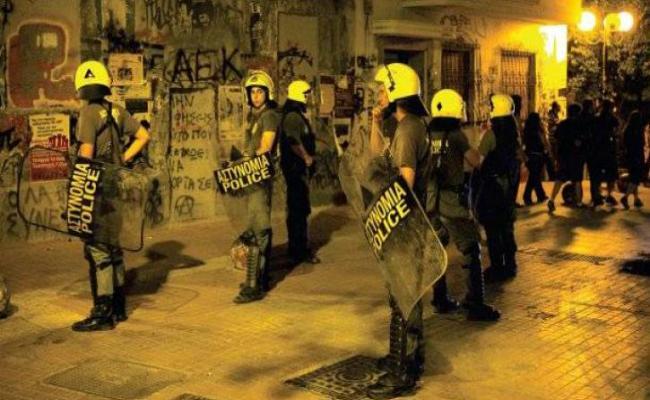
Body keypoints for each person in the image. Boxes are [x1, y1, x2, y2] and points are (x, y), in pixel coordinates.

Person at [366, 63, 431, 399]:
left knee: (402, 296)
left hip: (405, 224)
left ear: (396, 91)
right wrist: (376, 123)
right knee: (404, 294)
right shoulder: (408, 125)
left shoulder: (408, 130)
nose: (379, 95)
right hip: (407, 223)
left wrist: (385, 215)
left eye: (383, 89)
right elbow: (377, 157)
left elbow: (405, 182)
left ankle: (402, 370)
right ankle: (407, 356)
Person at [72, 60, 150, 331]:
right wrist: (123, 159)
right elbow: (143, 135)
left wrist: (77, 189)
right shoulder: (117, 110)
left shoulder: (88, 113)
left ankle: (102, 312)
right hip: (116, 185)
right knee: (114, 247)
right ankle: (118, 307)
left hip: (96, 188)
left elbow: (86, 156)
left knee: (98, 249)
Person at [427, 88, 502, 317]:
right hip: (452, 202)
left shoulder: (427, 132)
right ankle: (475, 303)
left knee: (437, 251)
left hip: (430, 201)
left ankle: (440, 298)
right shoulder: (456, 135)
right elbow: (476, 161)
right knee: (471, 249)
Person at [233, 70, 280, 304]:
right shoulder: (256, 116)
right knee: (254, 226)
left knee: (259, 229)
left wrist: (247, 159)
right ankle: (259, 278)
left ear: (268, 94)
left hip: (259, 178)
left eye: (260, 92)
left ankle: (255, 286)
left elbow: (266, 146)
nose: (256, 96)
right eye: (252, 92)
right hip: (252, 177)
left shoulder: (269, 116)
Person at [476, 94, 520, 281]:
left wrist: (480, 137)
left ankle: (497, 267)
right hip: (508, 186)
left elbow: (478, 160)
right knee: (507, 227)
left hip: (492, 187)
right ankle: (510, 264)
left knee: (493, 228)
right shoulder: (514, 134)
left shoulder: (491, 135)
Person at [279, 80, 320, 265]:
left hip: (297, 169)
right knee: (298, 209)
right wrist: (306, 157)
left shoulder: (296, 115)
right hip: (295, 169)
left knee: (300, 208)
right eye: (306, 94)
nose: (308, 98)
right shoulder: (293, 117)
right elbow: (293, 141)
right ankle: (298, 250)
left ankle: (298, 247)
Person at [547, 104, 585, 212]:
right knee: (577, 179)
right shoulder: (579, 125)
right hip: (575, 156)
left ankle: (551, 199)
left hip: (563, 156)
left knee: (560, 179)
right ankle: (579, 202)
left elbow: (556, 137)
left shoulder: (562, 124)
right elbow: (582, 140)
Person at [591, 100, 620, 207]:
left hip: (598, 150)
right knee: (611, 175)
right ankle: (609, 195)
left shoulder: (596, 118)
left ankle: (597, 195)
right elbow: (616, 131)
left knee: (597, 174)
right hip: (609, 149)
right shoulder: (613, 119)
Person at [522, 112, 550, 205]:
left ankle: (529, 196)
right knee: (535, 176)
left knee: (533, 176)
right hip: (537, 155)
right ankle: (539, 195)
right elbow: (543, 142)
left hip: (530, 155)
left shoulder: (527, 130)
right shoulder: (538, 131)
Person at [621, 110, 645, 209]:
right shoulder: (637, 130)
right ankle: (625, 197)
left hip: (630, 156)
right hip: (637, 156)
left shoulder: (627, 129)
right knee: (636, 178)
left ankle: (636, 199)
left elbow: (625, 143)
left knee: (634, 177)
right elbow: (641, 144)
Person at [545, 101, 561, 180]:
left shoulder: (555, 114)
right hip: (552, 138)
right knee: (554, 155)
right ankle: (554, 173)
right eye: (558, 107)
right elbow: (554, 123)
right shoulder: (551, 115)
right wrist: (558, 123)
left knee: (556, 155)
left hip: (555, 138)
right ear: (555, 107)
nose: (559, 109)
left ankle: (555, 172)